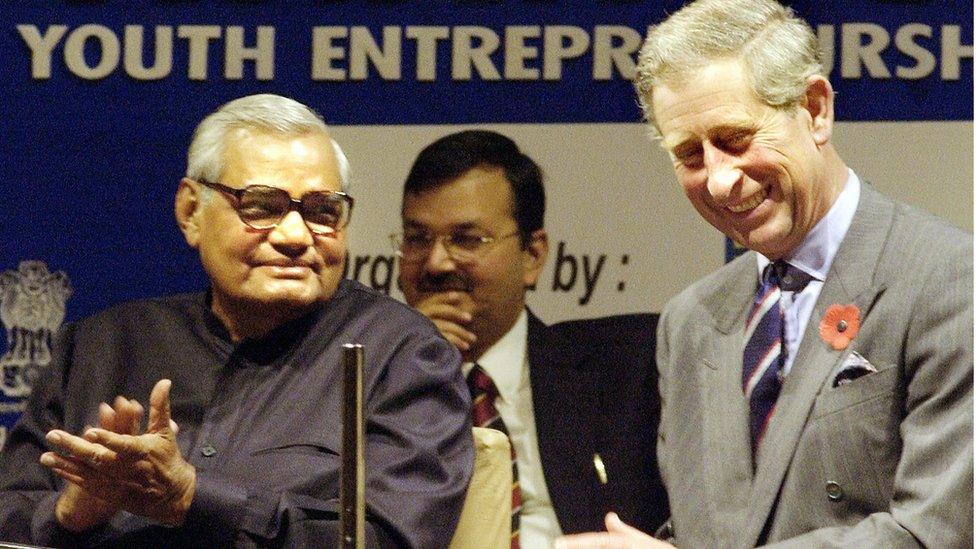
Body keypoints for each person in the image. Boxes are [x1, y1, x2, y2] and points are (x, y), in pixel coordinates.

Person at [557, 0, 973, 547]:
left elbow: (934, 534)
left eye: (735, 139)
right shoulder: (689, 322)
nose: (719, 180)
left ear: (816, 110)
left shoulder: (949, 282)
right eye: (689, 155)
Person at [0, 94, 473, 547]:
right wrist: (69, 514)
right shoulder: (101, 345)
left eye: (322, 211)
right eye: (262, 206)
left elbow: (390, 539)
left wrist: (194, 498)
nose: (294, 236)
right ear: (191, 211)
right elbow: (10, 512)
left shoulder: (404, 356)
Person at [394, 130, 669, 547]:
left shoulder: (633, 365)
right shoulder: (371, 386)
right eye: (418, 238)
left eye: (467, 239)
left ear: (532, 256)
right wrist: (408, 370)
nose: (436, 262)